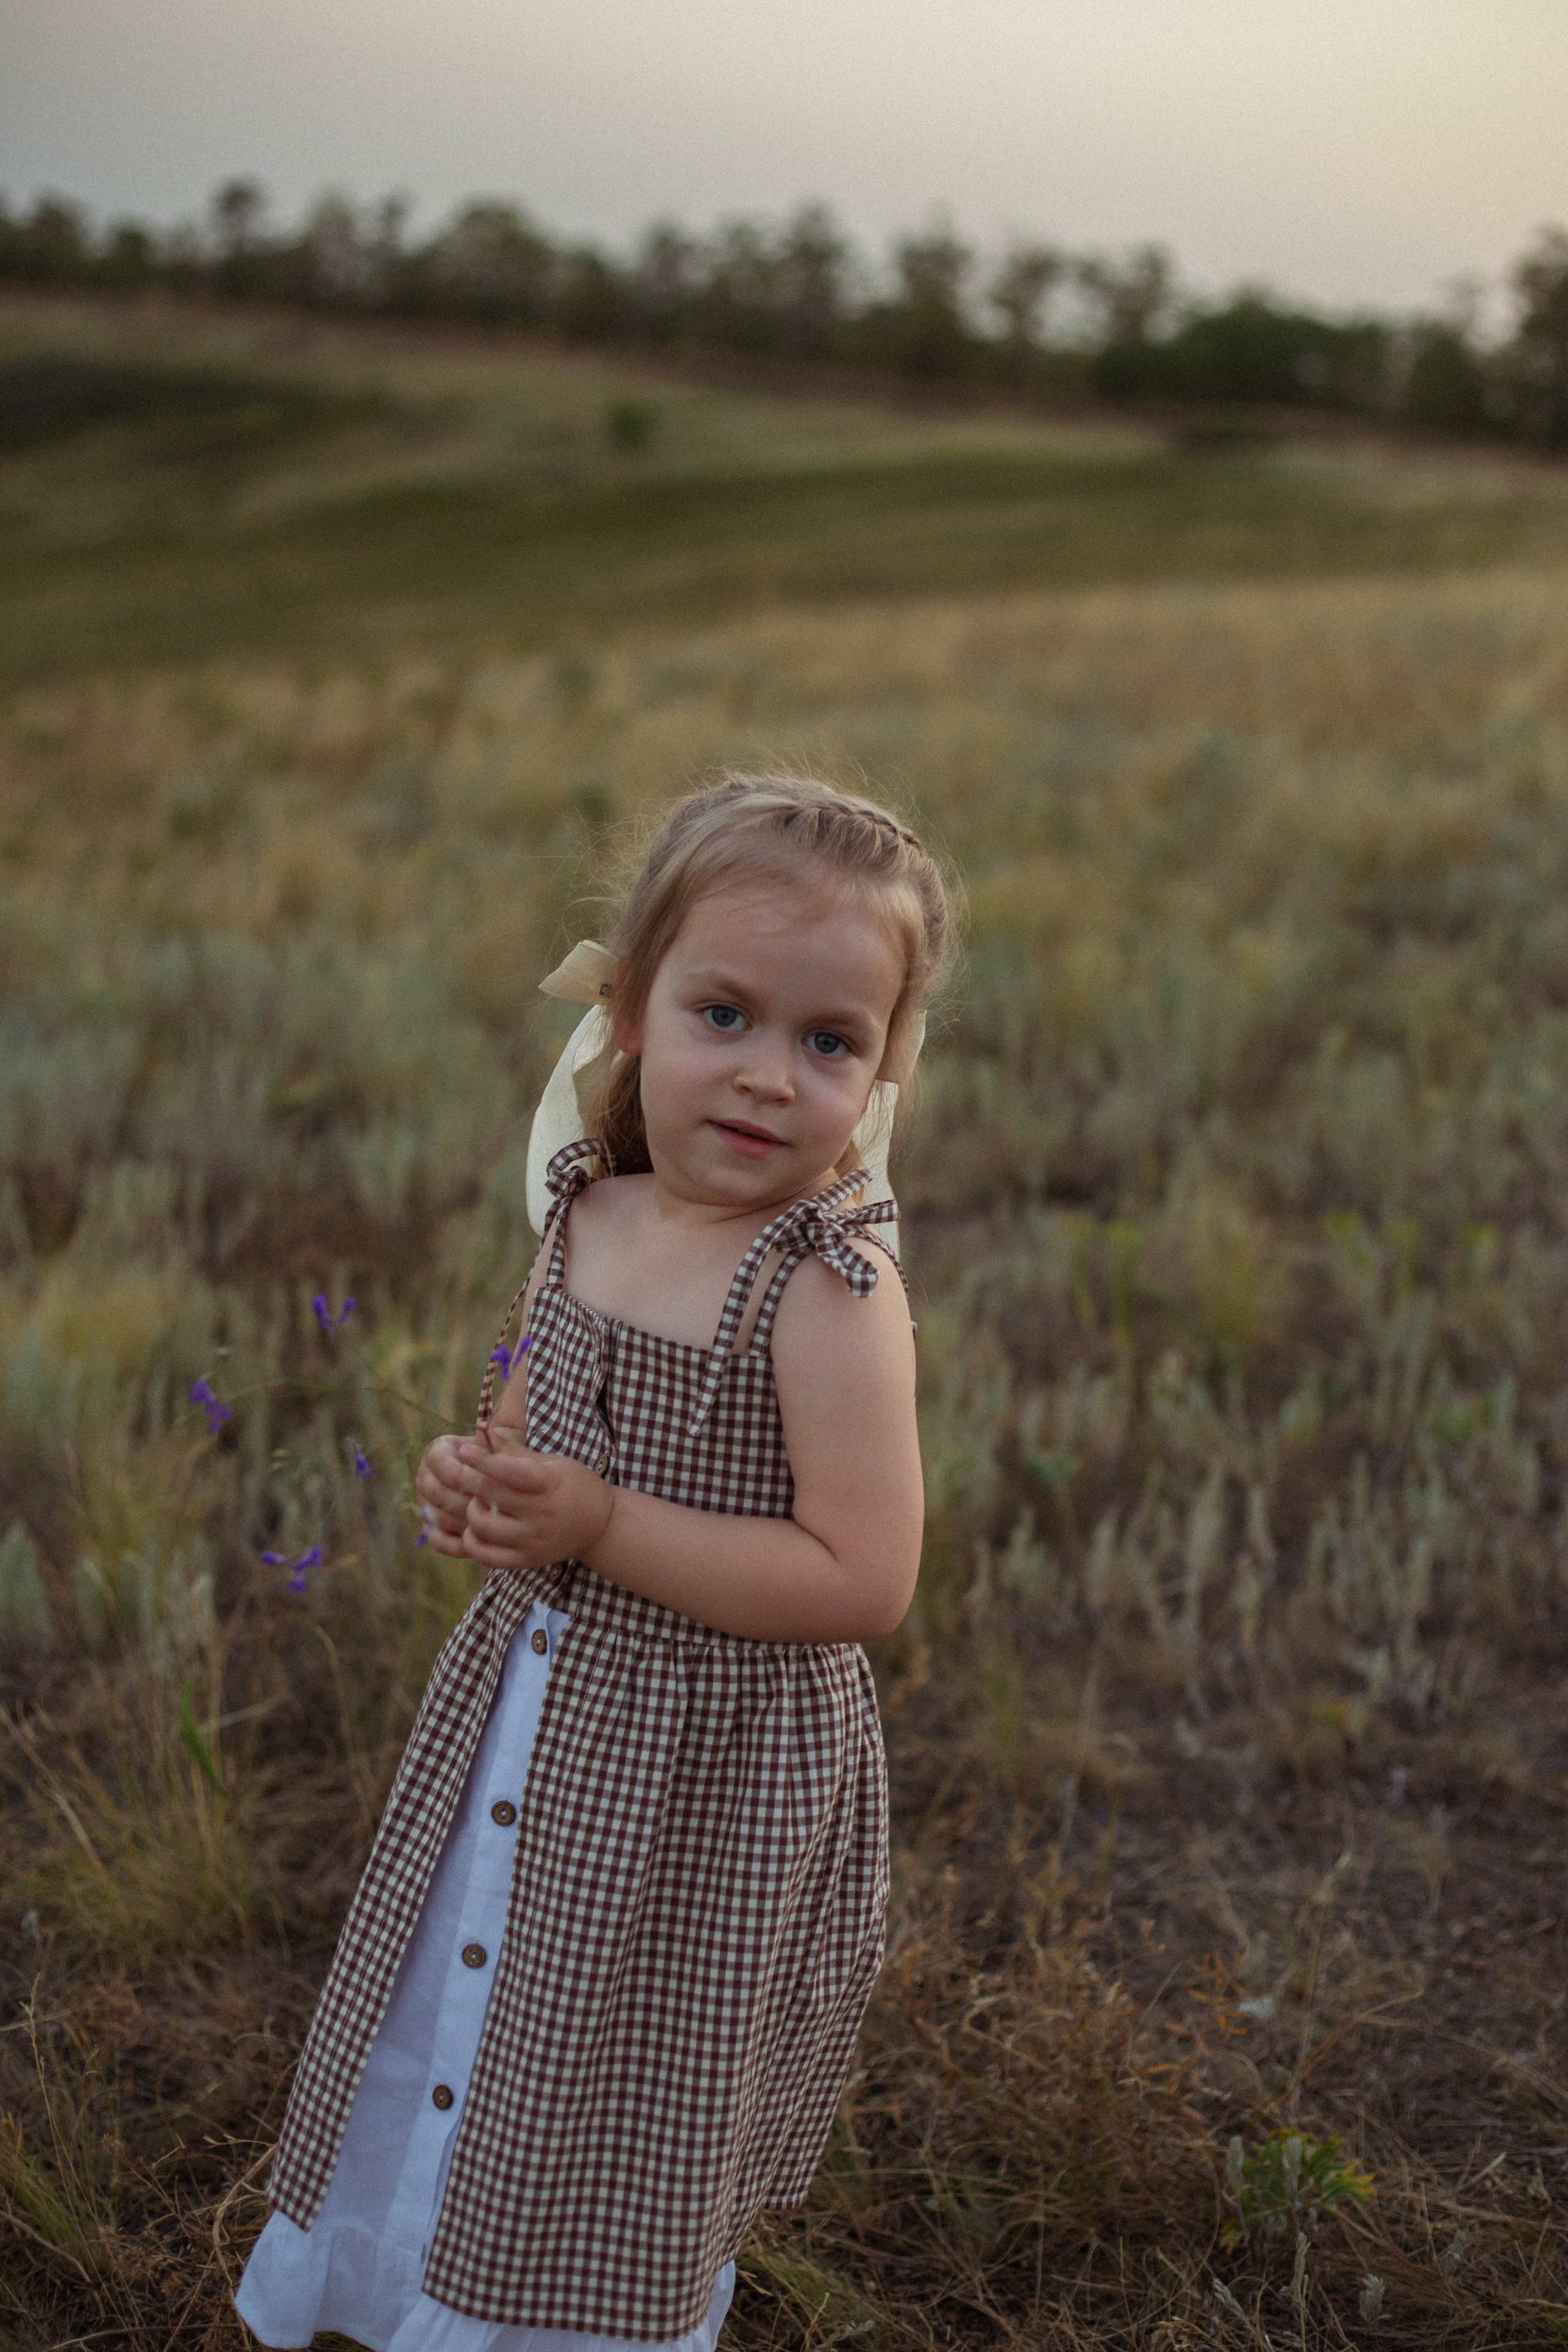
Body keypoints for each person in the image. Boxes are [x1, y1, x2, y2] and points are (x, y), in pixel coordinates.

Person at [235, 774, 950, 2352]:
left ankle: (565, 2318)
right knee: (480, 2019)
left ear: (884, 1065)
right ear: (631, 1008)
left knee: (611, 2066)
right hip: (535, 1712)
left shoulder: (829, 1288)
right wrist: (481, 1489)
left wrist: (606, 1528)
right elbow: (531, 1432)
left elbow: (861, 1581)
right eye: (725, 1014)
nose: (771, 1076)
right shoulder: (585, 1210)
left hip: (707, 1769)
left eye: (831, 1043)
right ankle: (435, 2274)